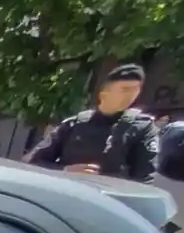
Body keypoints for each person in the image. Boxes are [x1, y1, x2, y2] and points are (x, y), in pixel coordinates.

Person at [26, 64, 159, 183]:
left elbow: (144, 179)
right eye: (125, 89)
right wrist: (65, 170)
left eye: (135, 90)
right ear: (104, 94)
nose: (131, 96)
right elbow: (34, 162)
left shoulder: (142, 128)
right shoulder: (74, 124)